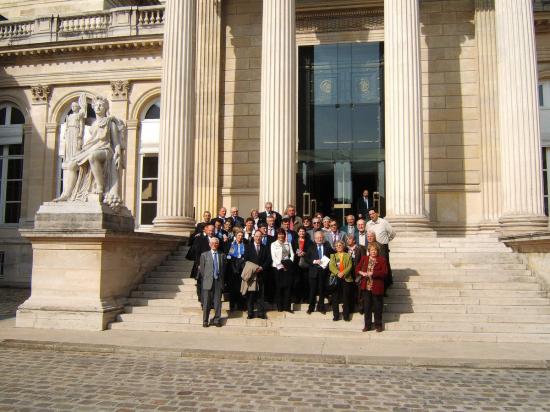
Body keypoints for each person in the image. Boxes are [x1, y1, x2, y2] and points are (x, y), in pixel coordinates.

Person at [53, 95, 125, 208]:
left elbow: (116, 142)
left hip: (105, 149)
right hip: (92, 148)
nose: (98, 107)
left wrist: (118, 153)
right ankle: (67, 194)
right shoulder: (94, 124)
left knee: (93, 156)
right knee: (72, 165)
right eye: (96, 105)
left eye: (101, 105)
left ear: (106, 108)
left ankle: (100, 187)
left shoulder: (110, 122)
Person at [356, 243, 388, 332]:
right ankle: (367, 325)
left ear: (378, 251)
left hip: (377, 286)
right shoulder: (364, 258)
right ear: (368, 251)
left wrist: (373, 273)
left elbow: (385, 273)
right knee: (367, 307)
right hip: (366, 287)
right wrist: (362, 273)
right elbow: (357, 269)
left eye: (375, 250)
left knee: (377, 307)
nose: (373, 252)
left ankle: (378, 325)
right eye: (371, 250)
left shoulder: (382, 260)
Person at [243, 231, 271, 319]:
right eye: (256, 236)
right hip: (252, 274)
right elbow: (246, 260)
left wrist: (262, 267)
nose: (258, 238)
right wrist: (254, 268)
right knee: (250, 294)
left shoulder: (265, 247)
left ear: (262, 237)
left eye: (260, 236)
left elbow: (268, 260)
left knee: (260, 295)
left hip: (262, 273)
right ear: (254, 237)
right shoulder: (248, 247)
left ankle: (260, 313)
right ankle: (250, 313)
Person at [366, 208, 395, 292]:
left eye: (373, 213)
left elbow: (393, 233)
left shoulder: (384, 222)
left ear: (377, 214)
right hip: (372, 247)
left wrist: (386, 240)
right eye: (370, 214)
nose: (371, 215)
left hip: (382, 247)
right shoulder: (368, 224)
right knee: (373, 266)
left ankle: (385, 286)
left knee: (384, 266)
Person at [304, 231, 333, 314]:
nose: (319, 239)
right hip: (313, 271)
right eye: (317, 238)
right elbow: (306, 258)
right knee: (312, 291)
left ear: (323, 238)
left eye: (321, 237)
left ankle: (321, 307)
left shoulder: (327, 246)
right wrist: (314, 261)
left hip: (323, 272)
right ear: (315, 239)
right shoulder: (311, 247)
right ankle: (311, 308)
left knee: (322, 290)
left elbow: (332, 255)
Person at [200, 237, 226, 327]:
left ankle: (217, 320)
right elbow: (202, 270)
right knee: (206, 302)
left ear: (218, 244)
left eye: (216, 243)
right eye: (212, 243)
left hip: (218, 281)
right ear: (209, 244)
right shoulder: (204, 255)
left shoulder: (222, 255)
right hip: (208, 281)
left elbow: (223, 269)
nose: (214, 244)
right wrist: (207, 278)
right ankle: (205, 320)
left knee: (217, 302)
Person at [328, 240, 353, 322]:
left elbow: (350, 266)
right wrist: (338, 273)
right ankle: (336, 315)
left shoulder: (348, 255)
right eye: (337, 245)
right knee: (335, 298)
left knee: (346, 297)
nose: (339, 246)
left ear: (343, 246)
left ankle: (346, 315)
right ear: (335, 247)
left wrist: (343, 273)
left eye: (340, 245)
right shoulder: (333, 256)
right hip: (336, 278)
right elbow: (331, 266)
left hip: (346, 278)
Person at [271, 228, 295, 312]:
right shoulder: (273, 244)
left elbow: (292, 254)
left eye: (282, 234)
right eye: (279, 234)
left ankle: (287, 307)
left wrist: (290, 262)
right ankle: (280, 307)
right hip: (278, 267)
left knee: (288, 287)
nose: (281, 235)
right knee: (279, 288)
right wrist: (281, 265)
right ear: (277, 235)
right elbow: (274, 257)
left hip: (288, 266)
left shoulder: (288, 243)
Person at [225, 230, 246, 312]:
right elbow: (230, 255)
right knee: (233, 288)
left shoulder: (245, 245)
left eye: (241, 236)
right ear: (236, 236)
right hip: (233, 268)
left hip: (242, 268)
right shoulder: (233, 245)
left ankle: (241, 305)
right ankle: (232, 305)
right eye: (239, 235)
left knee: (241, 287)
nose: (240, 237)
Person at [292, 226, 313, 304]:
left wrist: (305, 253)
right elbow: (291, 251)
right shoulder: (294, 241)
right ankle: (297, 298)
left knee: (306, 281)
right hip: (296, 263)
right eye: (300, 231)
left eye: (303, 231)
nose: (302, 233)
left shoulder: (309, 242)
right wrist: (296, 253)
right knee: (297, 281)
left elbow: (311, 253)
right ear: (298, 233)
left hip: (305, 264)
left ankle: (306, 298)